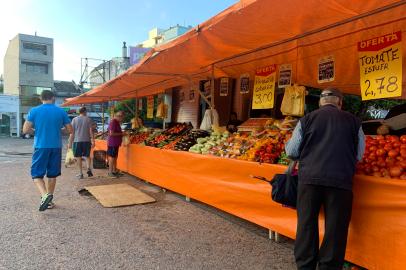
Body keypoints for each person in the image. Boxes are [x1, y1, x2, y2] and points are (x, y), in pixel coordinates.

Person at [285, 88, 365, 270]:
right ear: (340, 103)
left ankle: (305, 265)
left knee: (306, 223)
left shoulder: (306, 119)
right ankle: (329, 266)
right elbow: (360, 154)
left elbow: (292, 151)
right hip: (340, 180)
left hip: (309, 180)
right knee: (336, 227)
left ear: (321, 102)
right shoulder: (354, 122)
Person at [23, 90, 72, 211]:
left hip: (41, 146)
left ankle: (45, 195)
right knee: (52, 174)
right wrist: (59, 131)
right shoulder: (61, 111)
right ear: (53, 98)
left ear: (41, 98)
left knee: (36, 174)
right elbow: (70, 130)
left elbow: (25, 129)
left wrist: (36, 132)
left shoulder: (34, 111)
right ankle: (49, 201)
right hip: (56, 147)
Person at [68, 106, 95, 179]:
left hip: (77, 141)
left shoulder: (74, 119)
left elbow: (72, 132)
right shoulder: (88, 119)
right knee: (87, 156)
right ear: (85, 111)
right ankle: (89, 168)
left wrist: (69, 143)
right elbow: (91, 131)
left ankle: (80, 173)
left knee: (78, 157)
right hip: (87, 141)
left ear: (79, 112)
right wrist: (93, 140)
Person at [107, 111, 125, 178]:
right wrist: (122, 134)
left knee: (115, 157)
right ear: (119, 116)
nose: (122, 119)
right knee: (112, 157)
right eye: (122, 117)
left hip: (115, 143)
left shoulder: (116, 122)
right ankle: (110, 172)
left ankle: (114, 171)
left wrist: (121, 133)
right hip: (113, 143)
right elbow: (111, 133)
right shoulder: (113, 122)